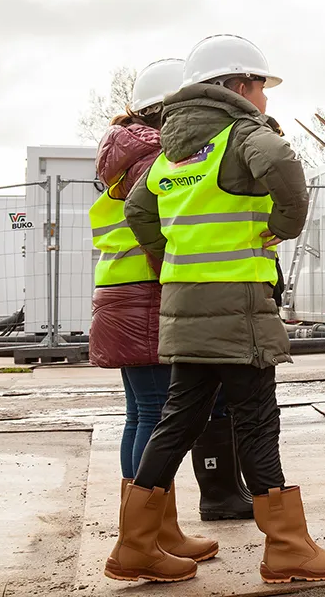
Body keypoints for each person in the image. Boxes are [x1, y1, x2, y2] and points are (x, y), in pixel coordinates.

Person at [116, 35, 325, 584]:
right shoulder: (242, 134)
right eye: (261, 87)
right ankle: (289, 547)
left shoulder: (171, 149)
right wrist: (287, 226)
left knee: (177, 421)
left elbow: (136, 207)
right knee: (256, 421)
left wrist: (171, 251)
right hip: (239, 306)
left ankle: (135, 545)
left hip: (184, 305)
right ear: (239, 86)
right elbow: (280, 163)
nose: (265, 99)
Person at [89, 58, 225, 572]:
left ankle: (156, 530)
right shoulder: (153, 154)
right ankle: (144, 540)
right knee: (155, 412)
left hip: (121, 295)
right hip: (146, 294)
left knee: (140, 411)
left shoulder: (123, 150)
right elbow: (159, 227)